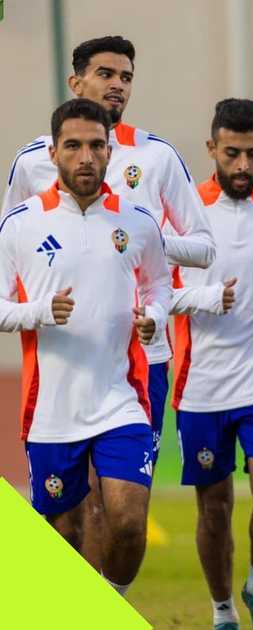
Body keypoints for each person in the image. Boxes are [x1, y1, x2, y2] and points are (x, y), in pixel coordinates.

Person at [2, 35, 214, 570]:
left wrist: (135, 246)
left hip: (143, 361)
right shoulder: (31, 166)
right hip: (59, 371)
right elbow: (15, 251)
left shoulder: (157, 157)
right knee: (75, 512)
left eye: (126, 76)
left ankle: (105, 600)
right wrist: (41, 308)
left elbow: (203, 247)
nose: (117, 84)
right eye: (105, 73)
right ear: (77, 82)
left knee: (121, 506)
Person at [0, 98, 170, 597]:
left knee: (126, 522)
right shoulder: (20, 224)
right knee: (65, 536)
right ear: (53, 153)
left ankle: (111, 602)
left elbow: (159, 285)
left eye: (97, 145)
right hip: (51, 409)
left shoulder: (138, 221)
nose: (86, 157)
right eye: (73, 146)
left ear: (110, 150)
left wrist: (154, 317)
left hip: (122, 401)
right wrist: (39, 312)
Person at [170, 99, 253, 630]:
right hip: (201, 384)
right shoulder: (181, 215)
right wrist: (205, 298)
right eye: (232, 154)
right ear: (211, 150)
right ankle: (223, 610)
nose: (243, 166)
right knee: (215, 506)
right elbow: (153, 291)